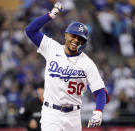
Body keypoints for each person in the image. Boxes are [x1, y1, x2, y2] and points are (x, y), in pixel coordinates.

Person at [25, 2, 109, 131]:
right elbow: (30, 30)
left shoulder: (87, 63)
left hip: (73, 115)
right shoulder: (52, 48)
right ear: (65, 35)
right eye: (73, 36)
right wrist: (50, 15)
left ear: (84, 42)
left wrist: (98, 111)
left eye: (80, 38)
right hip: (51, 112)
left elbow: (100, 92)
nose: (76, 40)